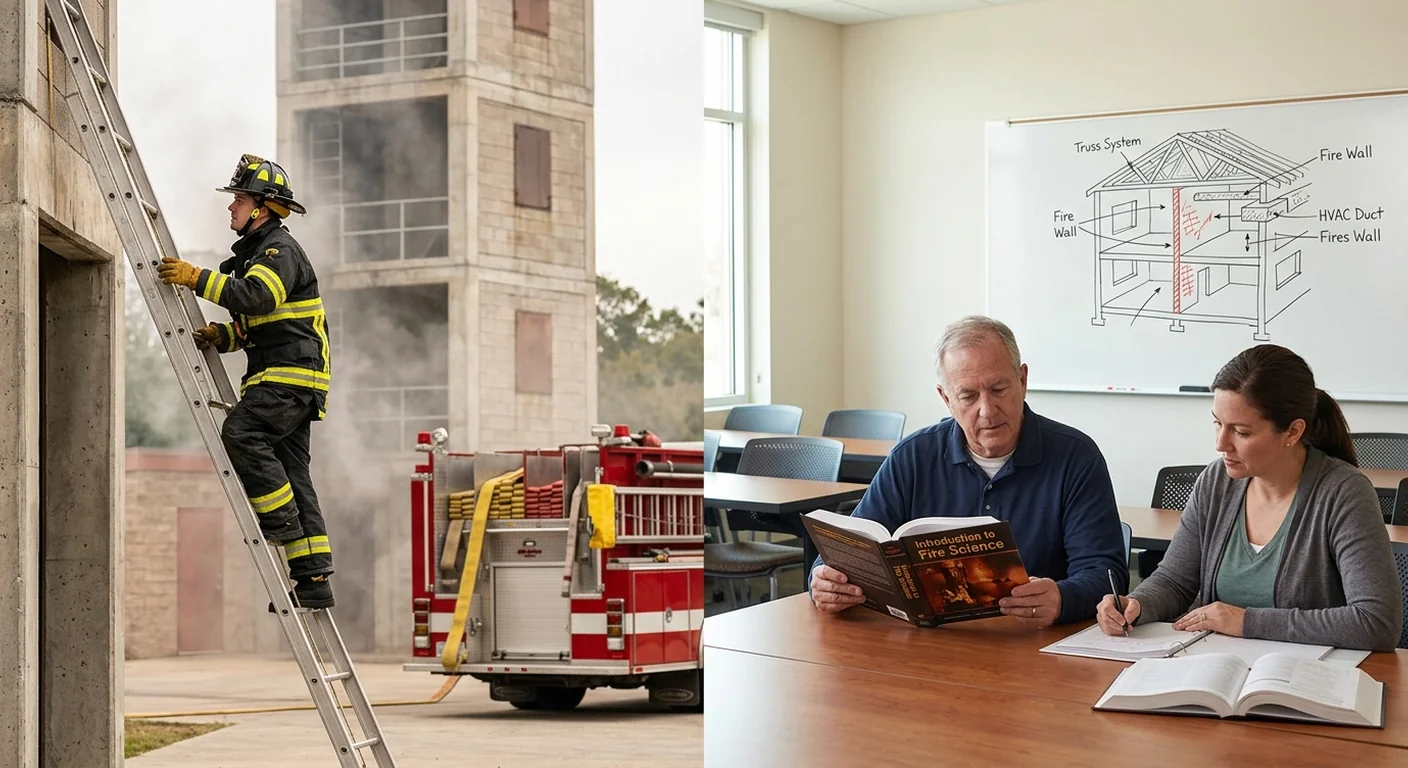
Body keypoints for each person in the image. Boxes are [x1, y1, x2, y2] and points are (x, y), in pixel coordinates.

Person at [808, 315, 1127, 627]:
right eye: (968, 396)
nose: (987, 410)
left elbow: (1107, 573)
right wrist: (823, 579)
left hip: (1034, 646)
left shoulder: (1075, 457)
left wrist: (1062, 597)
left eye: (999, 388)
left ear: (1023, 381)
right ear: (946, 398)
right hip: (929, 648)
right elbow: (848, 550)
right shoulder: (913, 457)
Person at [1096, 345, 1401, 651]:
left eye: (1241, 432)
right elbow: (1174, 581)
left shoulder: (1344, 493)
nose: (1220, 443)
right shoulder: (1215, 483)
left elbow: (1376, 622)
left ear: (1292, 432)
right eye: (1217, 423)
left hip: (1300, 678)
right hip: (1212, 668)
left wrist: (1244, 621)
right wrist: (1136, 603)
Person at [156, 154, 337, 609]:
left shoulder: (279, 251)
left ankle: (280, 525)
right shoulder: (259, 254)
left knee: (241, 431)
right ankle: (314, 579)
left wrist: (195, 278)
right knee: (295, 474)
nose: (231, 207)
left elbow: (258, 298)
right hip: (292, 379)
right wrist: (225, 335)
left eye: (238, 199)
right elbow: (268, 323)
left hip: (288, 380)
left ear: (262, 207)